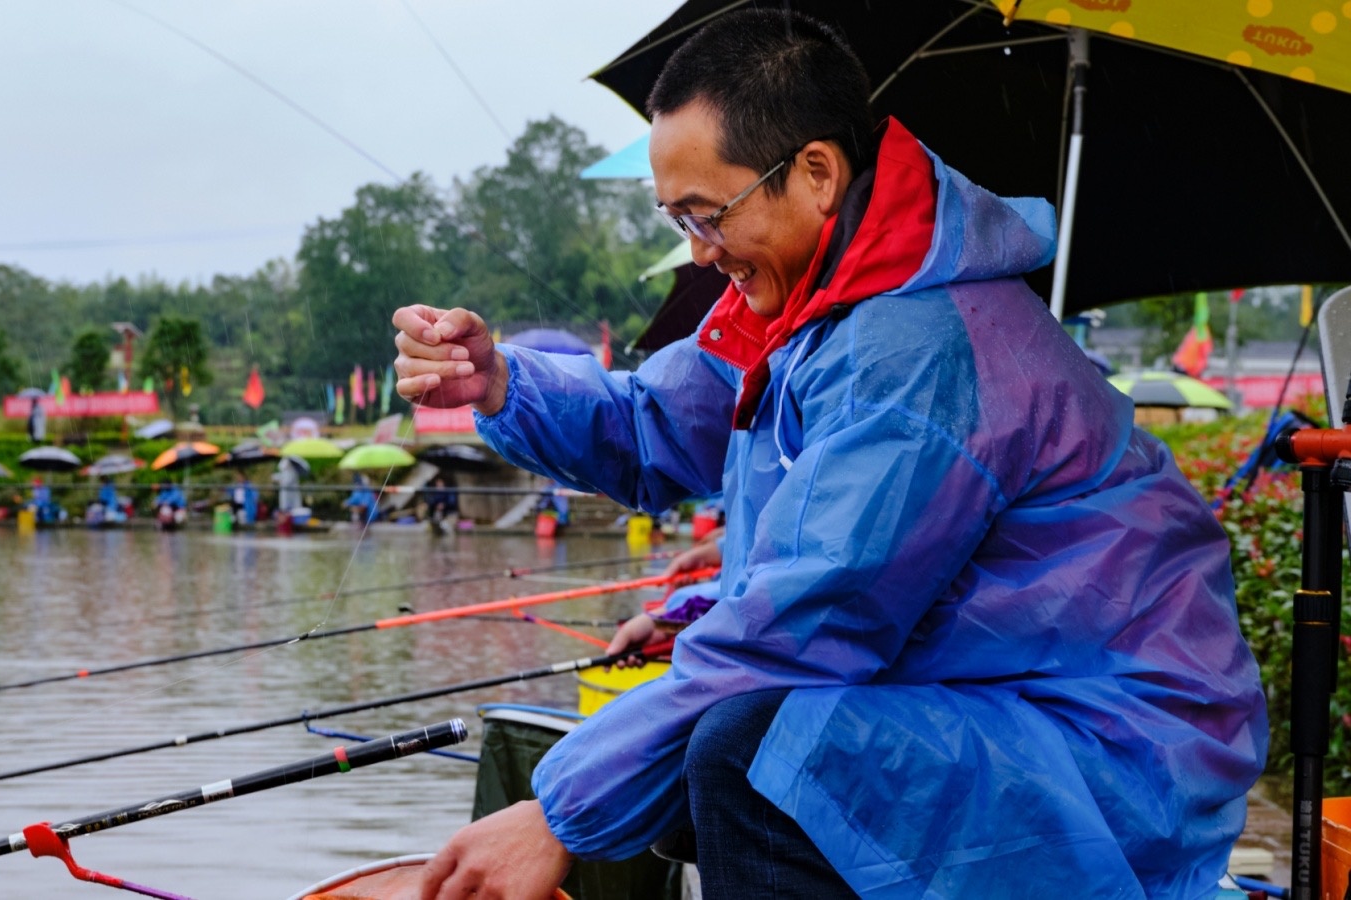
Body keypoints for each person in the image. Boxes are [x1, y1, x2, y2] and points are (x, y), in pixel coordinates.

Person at [393, 12, 1266, 899]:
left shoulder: (916, 349)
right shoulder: (807, 307)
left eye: (708, 214)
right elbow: (657, 425)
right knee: (698, 758)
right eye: (676, 217)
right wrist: (499, 382)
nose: (697, 249)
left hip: (1115, 744)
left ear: (815, 173)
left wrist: (555, 813)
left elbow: (810, 621)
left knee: (742, 749)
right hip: (986, 697)